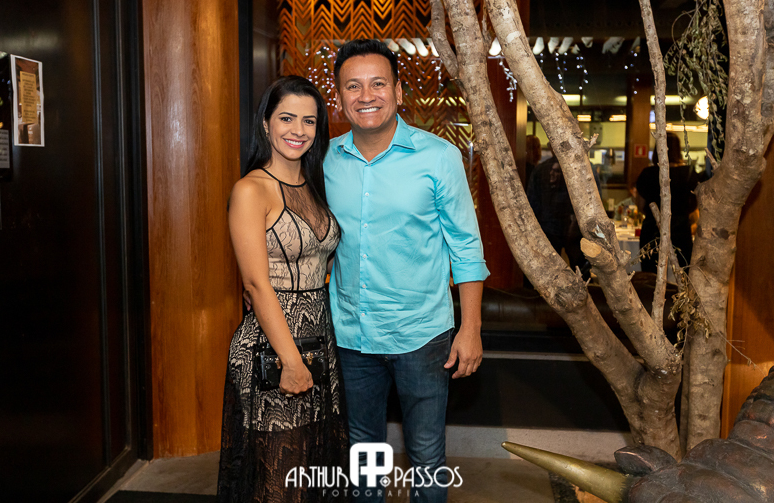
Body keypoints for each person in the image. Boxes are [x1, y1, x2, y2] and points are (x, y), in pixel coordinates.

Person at [324, 39, 489, 503]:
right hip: (351, 334)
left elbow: (466, 248)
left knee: (427, 456)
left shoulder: (438, 157)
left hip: (422, 335)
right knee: (363, 452)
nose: (366, 95)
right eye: (353, 86)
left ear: (398, 91)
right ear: (340, 97)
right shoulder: (325, 160)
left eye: (378, 83)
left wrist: (471, 328)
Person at [218, 76, 348, 502]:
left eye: (309, 121)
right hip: (274, 348)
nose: (299, 130)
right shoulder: (251, 190)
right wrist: (291, 361)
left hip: (319, 342)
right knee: (279, 479)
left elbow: (321, 260)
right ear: (266, 123)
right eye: (287, 118)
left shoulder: (314, 185)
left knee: (313, 473)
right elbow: (256, 284)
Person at [526, 150, 600, 280]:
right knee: (579, 272)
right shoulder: (585, 168)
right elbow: (595, 202)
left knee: (552, 273)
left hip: (561, 228)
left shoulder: (541, 169)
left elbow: (532, 204)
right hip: (570, 228)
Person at [636, 132, 700, 272]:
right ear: (678, 149)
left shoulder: (647, 174)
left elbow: (641, 206)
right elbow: (695, 204)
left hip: (652, 229)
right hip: (680, 229)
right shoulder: (688, 173)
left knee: (650, 276)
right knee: (684, 274)